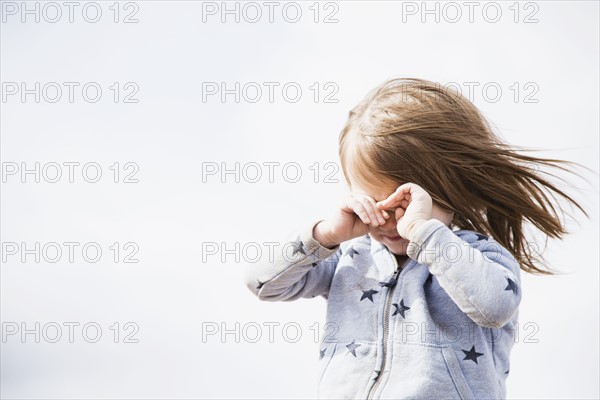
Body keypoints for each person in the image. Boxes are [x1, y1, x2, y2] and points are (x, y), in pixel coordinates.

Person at [243, 78, 590, 399]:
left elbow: (494, 306)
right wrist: (325, 234)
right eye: (374, 201)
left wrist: (425, 234)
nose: (390, 219)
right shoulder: (349, 258)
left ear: (450, 189)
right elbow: (262, 283)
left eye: (404, 202)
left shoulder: (476, 256)